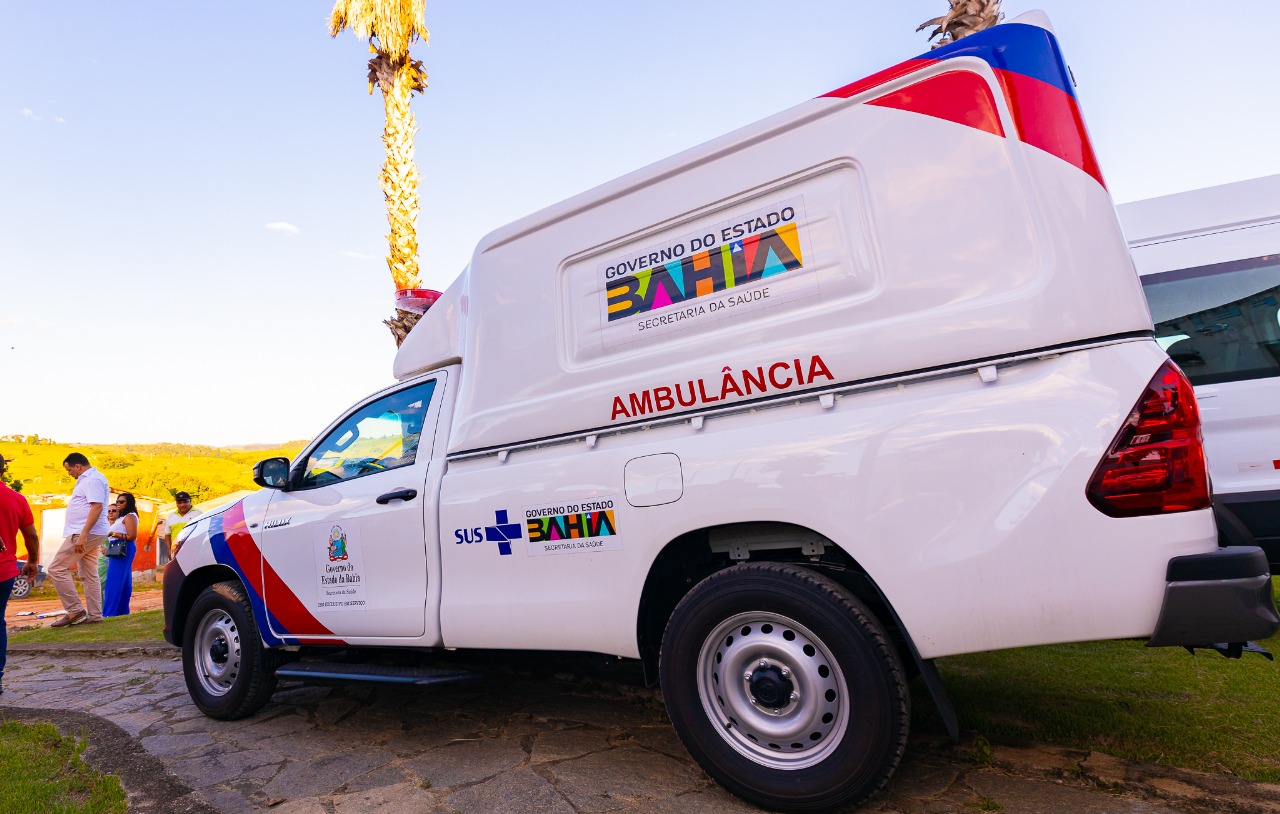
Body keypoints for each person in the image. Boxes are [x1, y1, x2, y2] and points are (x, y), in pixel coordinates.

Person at [49, 452, 108, 628]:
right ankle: (95, 615)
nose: (69, 474)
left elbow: (97, 506)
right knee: (89, 573)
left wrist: (83, 534)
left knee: (56, 568)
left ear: (77, 466)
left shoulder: (92, 480)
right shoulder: (88, 480)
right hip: (88, 532)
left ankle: (74, 610)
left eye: (69, 470)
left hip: (84, 533)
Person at [0, 455, 40, 692]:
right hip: (4, 572)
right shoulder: (17, 499)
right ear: (3, 470)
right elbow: (32, 536)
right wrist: (32, 561)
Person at [103, 492, 138, 616]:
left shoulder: (130, 516)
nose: (118, 504)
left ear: (129, 503)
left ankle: (109, 613)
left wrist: (111, 534)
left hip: (123, 547)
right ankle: (122, 611)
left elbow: (132, 536)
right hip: (118, 547)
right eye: (117, 501)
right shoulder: (123, 517)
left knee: (114, 581)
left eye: (121, 502)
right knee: (123, 580)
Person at [159, 491, 201, 566]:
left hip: (194, 551)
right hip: (176, 552)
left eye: (185, 502)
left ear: (190, 501)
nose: (182, 505)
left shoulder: (199, 514)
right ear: (176, 503)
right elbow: (167, 535)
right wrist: (169, 550)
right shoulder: (171, 517)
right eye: (179, 502)